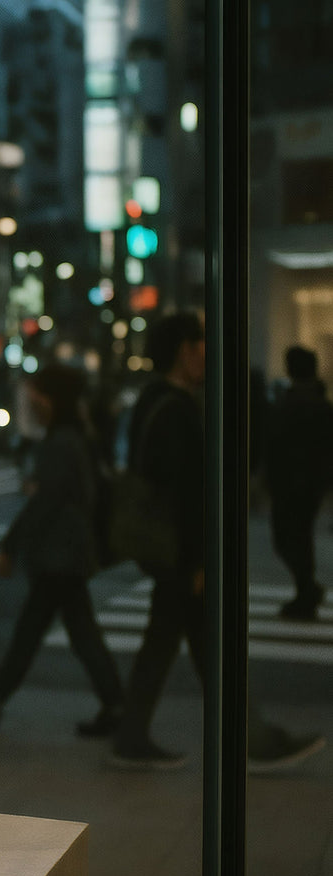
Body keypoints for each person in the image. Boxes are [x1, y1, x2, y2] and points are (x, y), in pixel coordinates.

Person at [110, 314, 323, 771]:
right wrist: (199, 561)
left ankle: (137, 736)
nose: (208, 352)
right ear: (185, 350)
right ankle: (252, 743)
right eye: (202, 343)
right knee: (209, 648)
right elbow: (188, 493)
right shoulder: (179, 409)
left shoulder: (151, 400)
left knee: (181, 643)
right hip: (180, 554)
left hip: (162, 549)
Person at [0, 366, 124, 737]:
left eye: (39, 395)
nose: (33, 401)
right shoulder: (71, 437)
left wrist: (11, 546)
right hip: (65, 554)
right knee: (60, 632)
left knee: (53, 633)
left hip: (60, 555)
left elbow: (46, 502)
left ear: (53, 398)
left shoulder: (63, 441)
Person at [263, 345, 333, 620]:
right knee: (299, 539)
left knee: (288, 538)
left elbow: (276, 444)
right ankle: (306, 590)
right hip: (308, 485)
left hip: (291, 484)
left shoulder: (292, 403)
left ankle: (306, 591)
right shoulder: (320, 404)